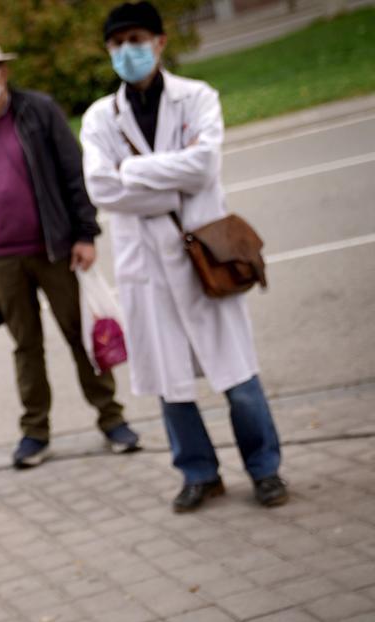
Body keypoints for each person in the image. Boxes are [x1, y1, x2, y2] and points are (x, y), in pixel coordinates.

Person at [81, 2, 288, 512]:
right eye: (118, 42)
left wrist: (132, 171)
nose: (127, 50)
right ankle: (198, 472)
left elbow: (202, 167)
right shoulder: (99, 118)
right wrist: (168, 183)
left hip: (204, 261)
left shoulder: (197, 98)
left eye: (136, 39)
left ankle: (264, 469)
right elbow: (100, 186)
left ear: (160, 41)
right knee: (169, 381)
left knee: (237, 375)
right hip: (146, 269)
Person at [0, 34, 141, 469]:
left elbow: (75, 173)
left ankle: (112, 420)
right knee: (25, 347)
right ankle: (35, 432)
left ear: (3, 72)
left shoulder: (38, 112)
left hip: (55, 248)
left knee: (79, 334)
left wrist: (85, 234)